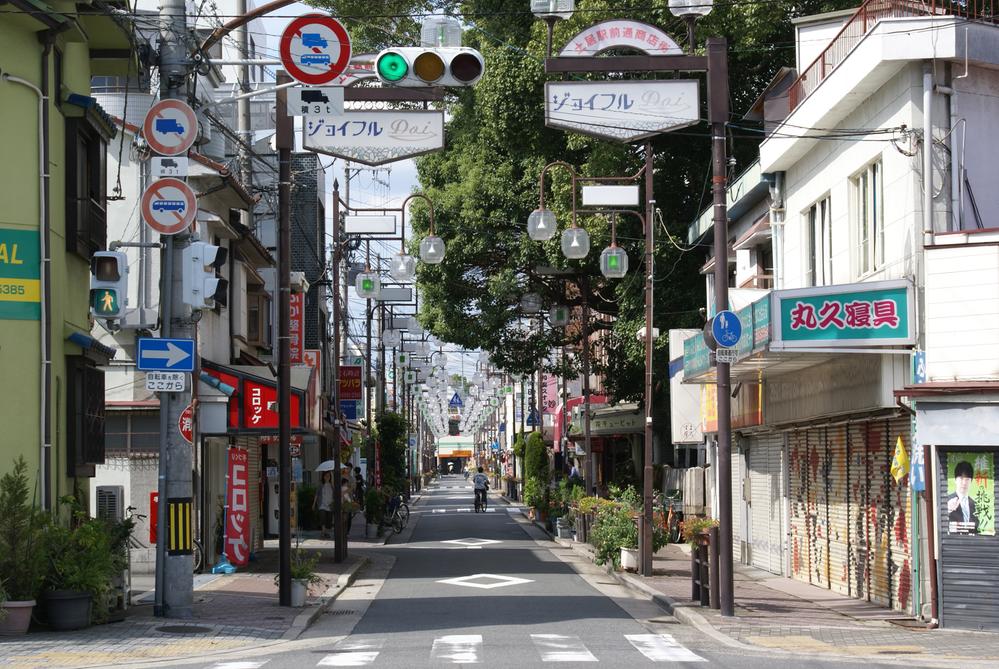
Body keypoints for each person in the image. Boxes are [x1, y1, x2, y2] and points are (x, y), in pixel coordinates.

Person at [947, 460, 980, 533]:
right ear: (955, 480)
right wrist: (948, 510)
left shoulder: (974, 504)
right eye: (961, 478)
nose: (964, 483)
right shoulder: (947, 501)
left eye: (967, 479)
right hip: (953, 542)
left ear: (971, 481)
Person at [313, 471, 335, 539]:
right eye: (326, 476)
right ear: (323, 477)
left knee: (329, 520)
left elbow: (335, 493)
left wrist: (332, 478)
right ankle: (323, 532)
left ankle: (326, 532)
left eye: (328, 476)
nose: (327, 477)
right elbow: (316, 494)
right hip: (322, 504)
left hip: (330, 505)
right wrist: (314, 504)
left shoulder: (332, 485)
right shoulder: (320, 485)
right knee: (322, 518)